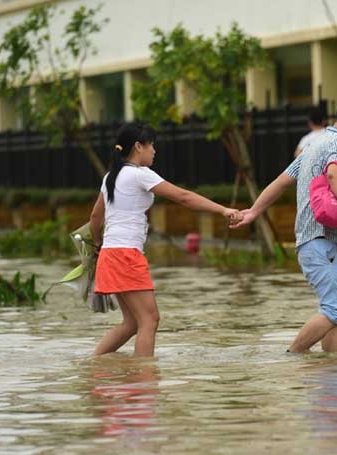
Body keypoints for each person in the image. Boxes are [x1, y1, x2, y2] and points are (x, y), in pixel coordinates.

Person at [232, 98, 337, 353]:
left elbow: (282, 181)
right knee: (336, 309)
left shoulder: (314, 144)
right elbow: (334, 174)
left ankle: (334, 376)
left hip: (319, 243)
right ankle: (293, 356)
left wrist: (254, 211)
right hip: (326, 242)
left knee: (336, 312)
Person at [89, 122, 242, 357]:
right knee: (149, 320)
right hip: (126, 255)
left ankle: (93, 364)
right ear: (139, 147)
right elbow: (183, 197)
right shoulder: (140, 174)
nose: (154, 151)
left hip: (111, 254)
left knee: (132, 324)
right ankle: (145, 379)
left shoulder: (112, 176)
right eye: (151, 145)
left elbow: (95, 217)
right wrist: (222, 210)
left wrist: (99, 244)